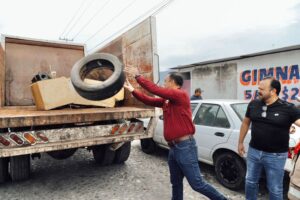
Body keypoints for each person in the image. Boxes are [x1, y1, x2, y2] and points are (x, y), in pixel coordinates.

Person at [124, 69, 227, 200]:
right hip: (174, 148)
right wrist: (132, 90)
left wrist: (138, 77)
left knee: (197, 184)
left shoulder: (180, 95)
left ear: (173, 82)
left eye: (165, 81)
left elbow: (155, 90)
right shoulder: (167, 101)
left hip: (185, 147)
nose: (163, 84)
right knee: (176, 182)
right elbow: (149, 100)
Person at [238, 76, 300, 200]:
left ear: (273, 91)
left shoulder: (288, 108)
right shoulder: (253, 104)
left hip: (276, 156)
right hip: (253, 152)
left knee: (275, 188)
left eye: (262, 89)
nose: (258, 91)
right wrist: (240, 142)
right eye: (258, 88)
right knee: (250, 182)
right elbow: (245, 123)